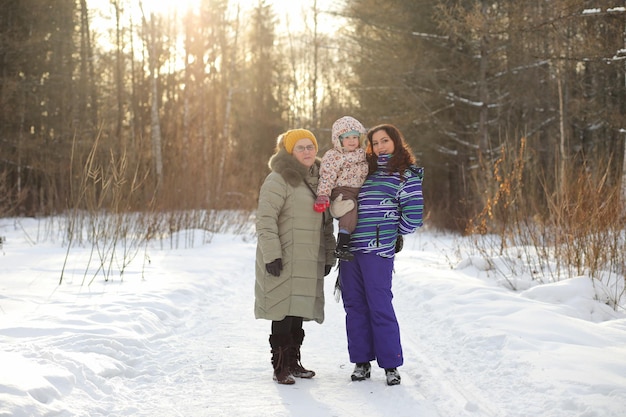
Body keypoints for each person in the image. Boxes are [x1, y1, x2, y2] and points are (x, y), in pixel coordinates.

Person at [333, 123, 424, 386]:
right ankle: (361, 362)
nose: (380, 146)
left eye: (385, 141)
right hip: (350, 249)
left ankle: (391, 364)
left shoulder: (405, 174)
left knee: (379, 305)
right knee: (354, 305)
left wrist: (395, 234)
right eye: (375, 142)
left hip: (378, 251)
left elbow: (414, 215)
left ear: (396, 142)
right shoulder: (364, 170)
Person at [255, 128, 336, 385]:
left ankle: (293, 362)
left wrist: (328, 255)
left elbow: (326, 224)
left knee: (298, 309)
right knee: (282, 309)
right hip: (284, 255)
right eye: (300, 147)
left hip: (309, 256)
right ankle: (280, 366)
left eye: (310, 146)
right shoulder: (278, 180)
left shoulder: (320, 181)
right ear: (289, 151)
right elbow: (265, 220)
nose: (306, 152)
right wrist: (271, 255)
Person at [314, 116, 369, 261]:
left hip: (359, 192)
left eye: (355, 137)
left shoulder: (364, 155)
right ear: (339, 139)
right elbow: (327, 176)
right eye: (347, 137)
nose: (352, 141)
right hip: (342, 191)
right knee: (350, 207)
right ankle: (342, 242)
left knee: (358, 209)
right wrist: (323, 195)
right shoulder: (334, 156)